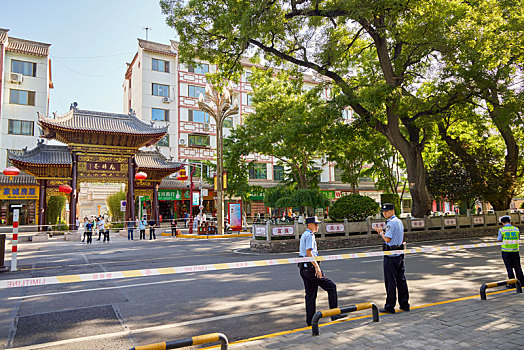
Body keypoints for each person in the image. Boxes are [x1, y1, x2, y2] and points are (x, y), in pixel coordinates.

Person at [298, 216, 344, 326]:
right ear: (309, 225)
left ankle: (310, 321)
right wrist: (317, 268)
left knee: (310, 295)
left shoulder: (304, 235)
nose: (317, 226)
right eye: (315, 224)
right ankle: (334, 313)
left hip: (304, 269)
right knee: (331, 287)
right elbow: (309, 253)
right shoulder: (309, 236)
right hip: (311, 269)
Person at [375, 203, 410, 314]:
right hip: (399, 254)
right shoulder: (399, 222)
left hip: (390, 255)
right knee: (401, 279)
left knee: (390, 281)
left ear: (392, 211)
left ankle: (390, 306)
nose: (384, 213)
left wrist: (381, 233)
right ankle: (404, 304)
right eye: (383, 211)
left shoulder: (390, 223)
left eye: (387, 211)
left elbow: (388, 239)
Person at [497, 215, 524, 288]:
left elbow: (499, 240)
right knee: (518, 267)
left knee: (509, 267)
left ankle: (512, 283)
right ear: (509, 221)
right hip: (515, 250)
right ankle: (522, 282)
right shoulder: (516, 229)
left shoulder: (502, 230)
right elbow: (517, 238)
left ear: (503, 222)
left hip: (506, 251)